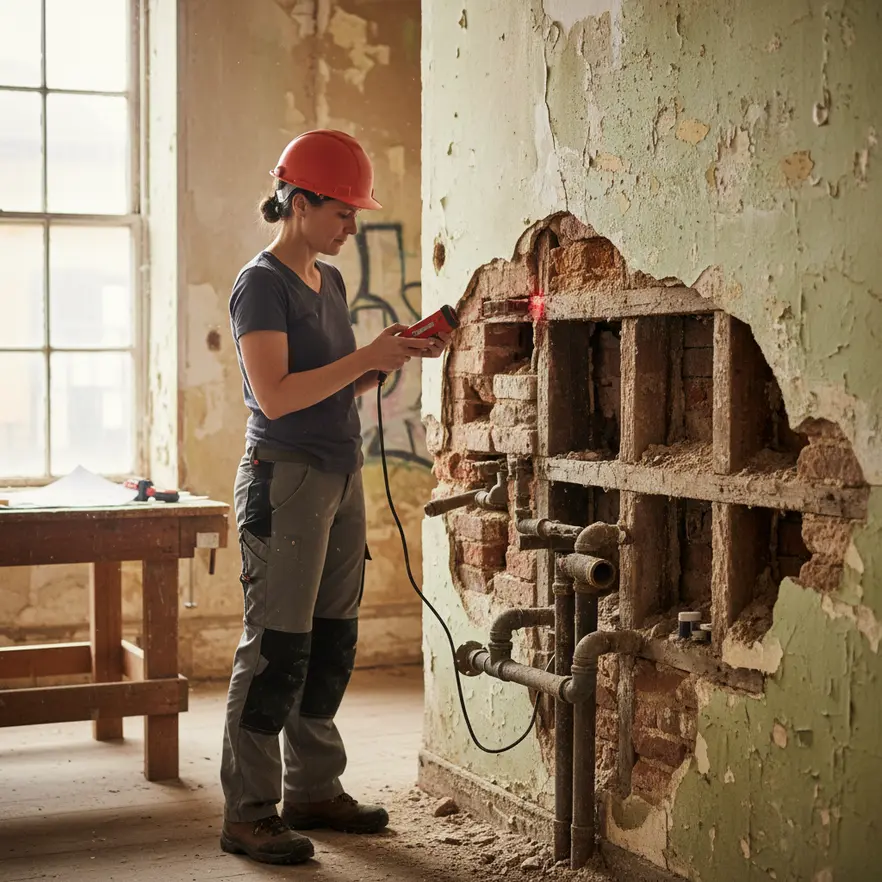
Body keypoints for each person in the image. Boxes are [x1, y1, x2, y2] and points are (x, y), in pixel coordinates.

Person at [220, 129, 449, 866]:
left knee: (329, 644)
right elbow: (276, 396)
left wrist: (389, 356)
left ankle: (314, 790)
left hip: (340, 471)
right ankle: (249, 814)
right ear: (299, 201)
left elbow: (333, 382)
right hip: (284, 477)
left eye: (354, 214)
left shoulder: (331, 280)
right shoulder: (262, 283)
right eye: (343, 213)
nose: (353, 227)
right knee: (276, 649)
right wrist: (364, 356)